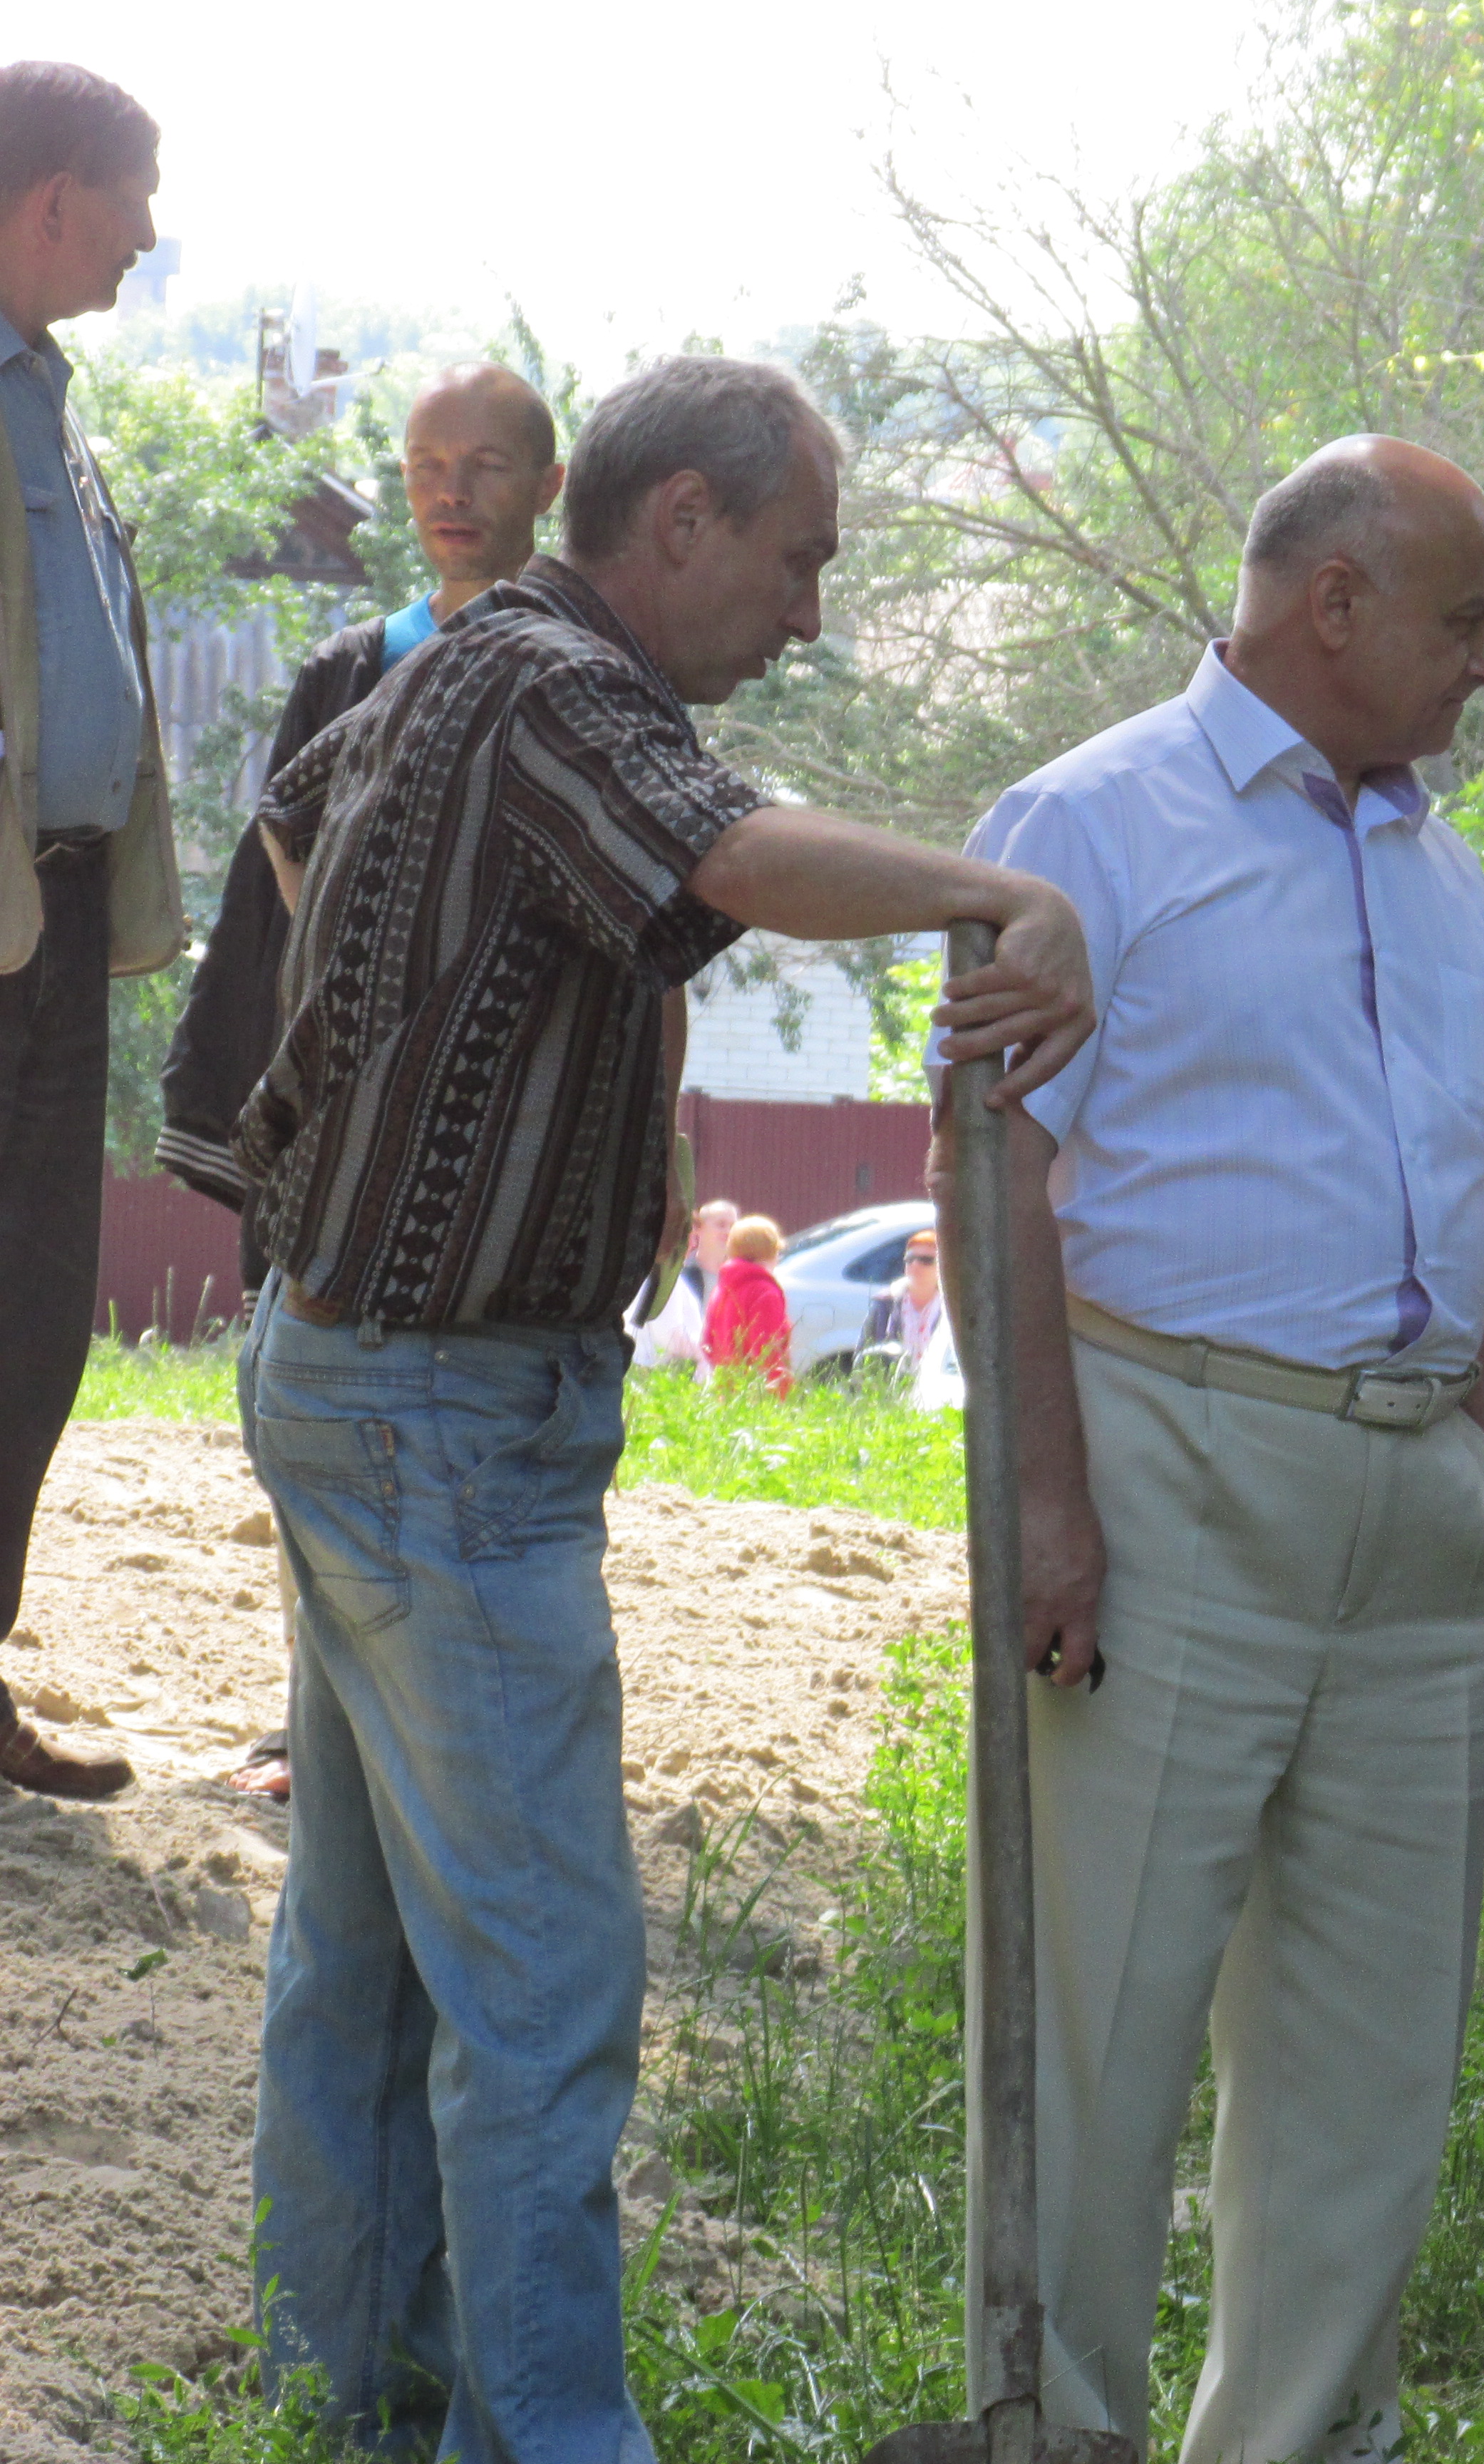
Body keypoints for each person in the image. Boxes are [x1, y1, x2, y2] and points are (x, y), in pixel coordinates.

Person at [235, 352, 1098, 2460]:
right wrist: (1003, 894)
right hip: (439, 1407)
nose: (808, 613)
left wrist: (510, 1066)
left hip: (359, 1368)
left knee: (373, 1957)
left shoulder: (465, 665)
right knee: (541, 1988)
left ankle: (344, 2406)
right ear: (682, 520)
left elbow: (294, 819)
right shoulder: (553, 684)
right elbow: (729, 850)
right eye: (796, 560)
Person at [953, 433, 1484, 2459]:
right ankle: (1054, 2437)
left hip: (1417, 1516)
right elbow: (993, 1175)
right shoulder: (1089, 822)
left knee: (1370, 2074)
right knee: (1101, 2039)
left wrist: (1475, 1479)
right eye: (1468, 618)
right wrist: (1049, 1504)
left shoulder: (1440, 862)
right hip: (1172, 1472)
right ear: (1336, 604)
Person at [157, 363, 570, 1285]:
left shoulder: (589, 672)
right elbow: (275, 886)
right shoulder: (353, 671)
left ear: (550, 486)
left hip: (518, 1092)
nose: (451, 492)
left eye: (485, 465)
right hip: (340, 1091)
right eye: (426, 466)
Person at [0, 63, 172, 1807]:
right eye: (136, 193)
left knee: (36, 1313)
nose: (150, 232)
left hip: (47, 918)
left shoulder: (47, 399)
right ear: (58, 195)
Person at [629, 1194, 737, 1367]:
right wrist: (704, 1359)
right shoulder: (664, 1279)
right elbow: (670, 1334)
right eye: (688, 1237)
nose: (692, 1244)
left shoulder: (660, 1275)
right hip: (662, 1368)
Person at [701, 1212, 793, 1390]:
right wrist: (781, 1394)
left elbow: (709, 1343)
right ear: (773, 1250)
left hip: (726, 1389)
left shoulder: (722, 1288)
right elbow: (768, 1352)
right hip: (756, 1393)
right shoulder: (764, 1291)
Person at [861, 1223, 945, 1366]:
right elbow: (864, 1353)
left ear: (942, 1265)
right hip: (895, 1378)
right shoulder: (885, 1303)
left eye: (926, 1260)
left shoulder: (952, 1306)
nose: (915, 1265)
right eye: (910, 1259)